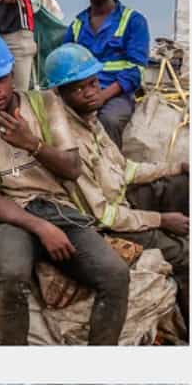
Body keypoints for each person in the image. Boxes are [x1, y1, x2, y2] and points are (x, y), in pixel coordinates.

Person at [0, 34, 125, 345]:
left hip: (59, 207)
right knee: (11, 277)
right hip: (13, 215)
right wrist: (42, 228)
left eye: (0, 79)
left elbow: (72, 169)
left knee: (115, 275)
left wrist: (31, 143)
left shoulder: (46, 103)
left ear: (11, 76)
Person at [45, 43, 190, 328]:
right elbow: (105, 215)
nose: (91, 92)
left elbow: (124, 169)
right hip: (106, 225)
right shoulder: (67, 142)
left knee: (180, 185)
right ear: (59, 95)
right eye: (78, 88)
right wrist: (160, 221)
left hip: (121, 200)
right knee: (184, 256)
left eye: (93, 83)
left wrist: (175, 167)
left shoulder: (91, 120)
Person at [64, 0, 150, 142]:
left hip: (117, 95)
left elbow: (135, 70)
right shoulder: (76, 26)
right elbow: (65, 71)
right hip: (83, 95)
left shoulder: (133, 21)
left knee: (108, 120)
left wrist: (103, 96)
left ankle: (113, 169)